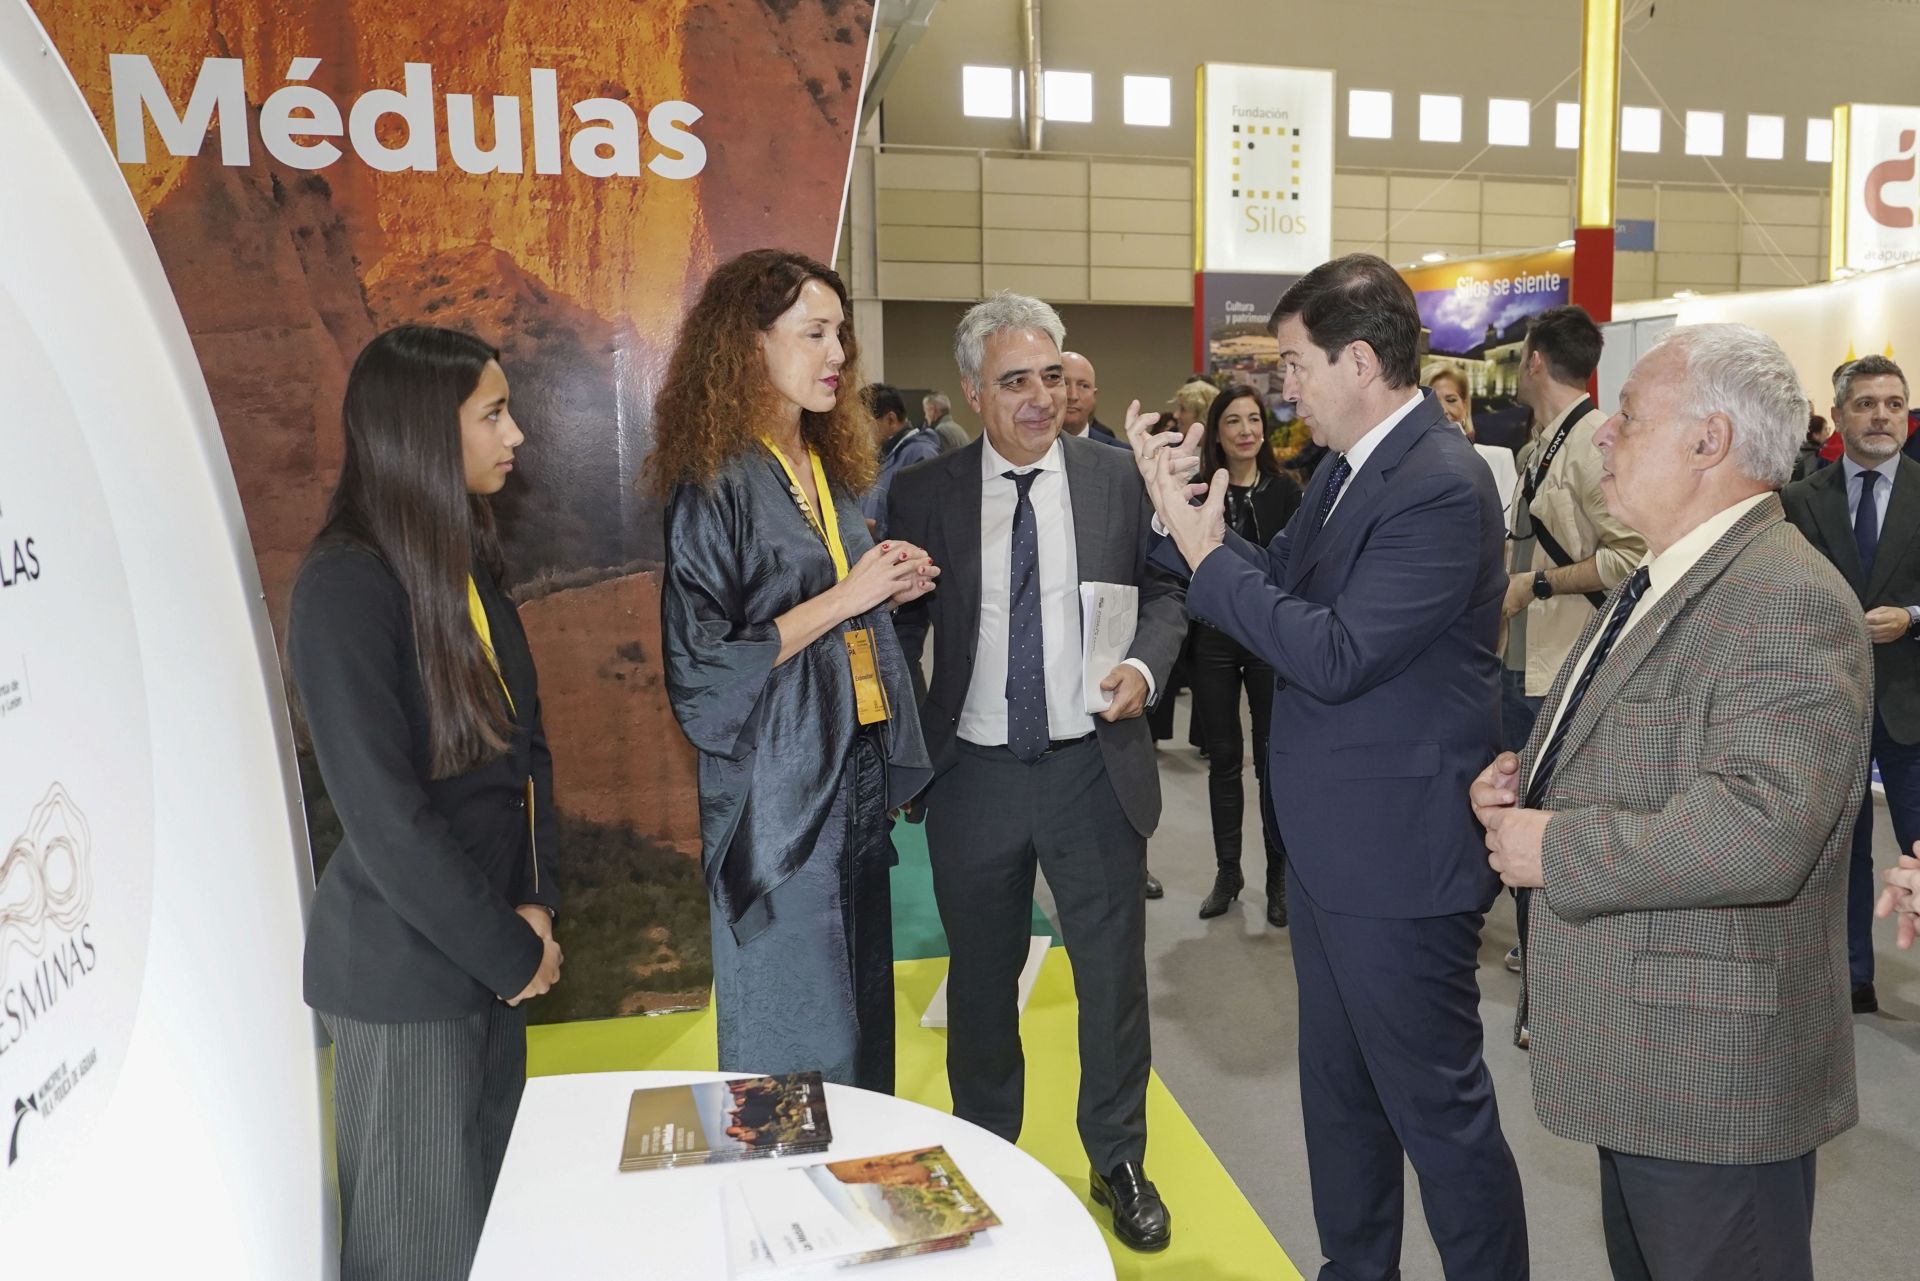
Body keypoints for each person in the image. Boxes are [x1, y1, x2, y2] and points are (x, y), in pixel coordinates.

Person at [1134, 254, 1527, 1280]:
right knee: (1342, 1103)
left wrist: (1210, 560)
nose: (1281, 387)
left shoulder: (1439, 482)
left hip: (1398, 864)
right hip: (1331, 851)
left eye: (1295, 363)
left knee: (1439, 1121)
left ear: (1359, 360)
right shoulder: (1352, 471)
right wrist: (1192, 527)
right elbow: (1280, 591)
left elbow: (1338, 653)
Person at [1473, 323, 1871, 1281]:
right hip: (1649, 1056)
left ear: (1710, 440)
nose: (1606, 435)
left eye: (1632, 416)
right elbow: (1646, 739)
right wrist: (1530, 774)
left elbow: (1763, 827)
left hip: (1713, 1074)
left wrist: (1556, 846)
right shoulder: (1669, 572)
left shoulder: (1785, 596)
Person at [888, 292, 1187, 1252]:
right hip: (972, 771)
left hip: (1090, 765)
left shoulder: (1115, 480)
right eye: (1014, 380)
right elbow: (897, 625)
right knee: (980, 979)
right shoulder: (926, 493)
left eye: (1051, 376)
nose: (1038, 397)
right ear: (975, 391)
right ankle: (988, 1151)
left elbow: (1173, 590)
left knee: (1110, 977)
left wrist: (1142, 666)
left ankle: (1118, 1158)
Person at [289, 325, 563, 1281]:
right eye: (492, 413)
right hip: (409, 984)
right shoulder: (345, 586)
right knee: (418, 1254)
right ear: (419, 431)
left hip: (492, 962)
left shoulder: (463, 563)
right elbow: (384, 817)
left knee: (488, 1242)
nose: (516, 434)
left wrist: (536, 908)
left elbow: (527, 758)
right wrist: (511, 951)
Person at [652, 249, 936, 1093]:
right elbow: (702, 666)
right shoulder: (713, 481)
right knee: (796, 1019)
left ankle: (848, 1198)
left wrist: (888, 582)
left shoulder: (826, 467)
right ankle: (783, 1214)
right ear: (748, 346)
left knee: (860, 1013)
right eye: (814, 333)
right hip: (776, 793)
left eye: (839, 334)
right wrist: (849, 596)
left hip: (851, 772)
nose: (837, 354)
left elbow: (839, 604)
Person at [1499, 307, 1646, 979]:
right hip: (1523, 662)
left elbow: (1633, 556)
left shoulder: (1591, 442)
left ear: (1534, 360)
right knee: (1523, 812)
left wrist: (1538, 583)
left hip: (1564, 664)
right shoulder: (1542, 445)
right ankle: (1538, 950)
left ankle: (1555, 972)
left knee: (1551, 823)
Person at [1782, 353, 1920, 1015]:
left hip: (1910, 707)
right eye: (1866, 403)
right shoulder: (1799, 499)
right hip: (1829, 704)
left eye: (1893, 403)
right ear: (1837, 417)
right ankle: (1851, 978)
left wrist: (1914, 617)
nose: (1881, 416)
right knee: (1844, 851)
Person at [1189, 384, 1301, 925]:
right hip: (1212, 637)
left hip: (1268, 638)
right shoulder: (1198, 493)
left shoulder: (1287, 491)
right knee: (1225, 760)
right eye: (1233, 421)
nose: (1245, 430)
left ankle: (1277, 877)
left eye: (1254, 419)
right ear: (1217, 432)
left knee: (1271, 761)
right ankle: (1227, 871)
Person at [1428, 365, 1518, 516]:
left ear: (1464, 407)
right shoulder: (1406, 467)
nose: (1443, 409)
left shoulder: (1500, 459)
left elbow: (1510, 526)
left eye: (1451, 400)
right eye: (1432, 402)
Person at [859, 381, 940, 541]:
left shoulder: (920, 454)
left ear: (891, 419)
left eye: (865, 423)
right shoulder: (883, 455)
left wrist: (875, 528)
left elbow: (923, 523)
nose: (860, 431)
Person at [1062, 350, 1125, 446]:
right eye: (1063, 384)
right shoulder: (1030, 450)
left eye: (1084, 386)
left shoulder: (1124, 454)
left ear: (1094, 395)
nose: (1072, 396)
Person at [1794, 399, 1833, 480]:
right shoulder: (1806, 456)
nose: (1811, 419)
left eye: (1812, 414)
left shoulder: (1818, 451)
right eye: (1808, 415)